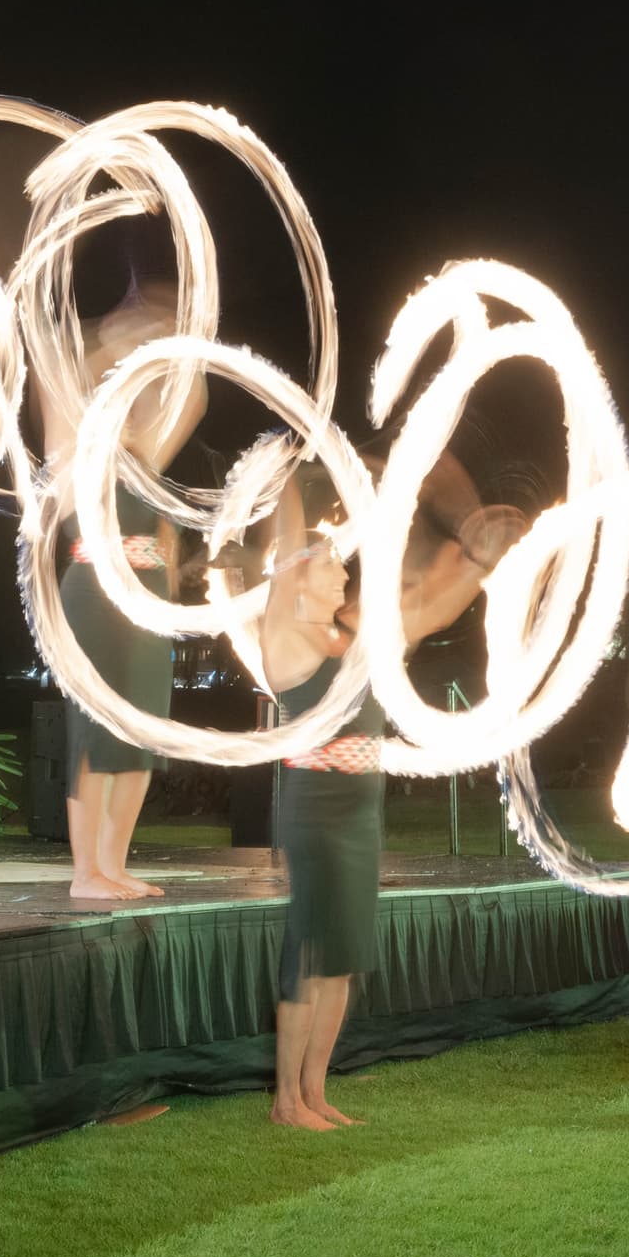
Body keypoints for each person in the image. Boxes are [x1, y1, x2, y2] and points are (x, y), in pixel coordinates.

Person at [256, 465, 519, 1130]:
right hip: (313, 810)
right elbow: (288, 547)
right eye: (330, 567)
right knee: (311, 951)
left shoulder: (362, 639)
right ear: (300, 578)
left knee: (343, 959)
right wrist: (287, 470)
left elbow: (433, 607)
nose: (344, 572)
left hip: (361, 815)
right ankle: (286, 1102)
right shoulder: (286, 637)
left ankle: (316, 1092)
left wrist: (478, 560)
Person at [40, 278, 205, 899]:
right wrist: (115, 339)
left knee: (141, 732)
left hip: (145, 606)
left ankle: (113, 863)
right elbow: (66, 388)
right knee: (96, 731)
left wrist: (169, 338)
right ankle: (87, 872)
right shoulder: (76, 453)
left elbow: (194, 396)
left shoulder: (150, 458)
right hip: (94, 597)